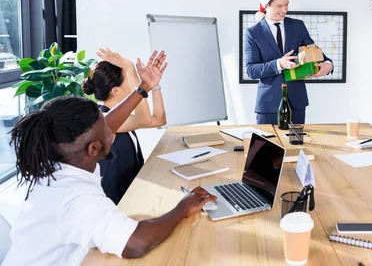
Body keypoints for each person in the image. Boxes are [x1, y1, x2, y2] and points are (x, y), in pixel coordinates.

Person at [3, 51, 216, 265]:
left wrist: (144, 87)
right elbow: (136, 243)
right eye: (105, 126)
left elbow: (112, 121)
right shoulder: (76, 199)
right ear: (94, 148)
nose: (111, 125)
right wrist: (183, 208)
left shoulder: (62, 160)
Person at [82, 48, 166, 204]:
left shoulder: (123, 120)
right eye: (128, 79)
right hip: (119, 206)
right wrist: (131, 71)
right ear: (115, 90)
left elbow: (159, 119)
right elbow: (145, 118)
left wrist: (155, 85)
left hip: (134, 196)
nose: (134, 84)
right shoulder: (104, 121)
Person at [245, 0, 333, 124]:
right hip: (268, 105)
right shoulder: (253, 33)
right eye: (279, 6)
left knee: (296, 144)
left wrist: (328, 63)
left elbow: (313, 50)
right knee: (267, 146)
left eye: (287, 5)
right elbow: (251, 70)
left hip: (296, 103)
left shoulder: (298, 26)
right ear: (267, 5)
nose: (284, 10)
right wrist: (279, 64)